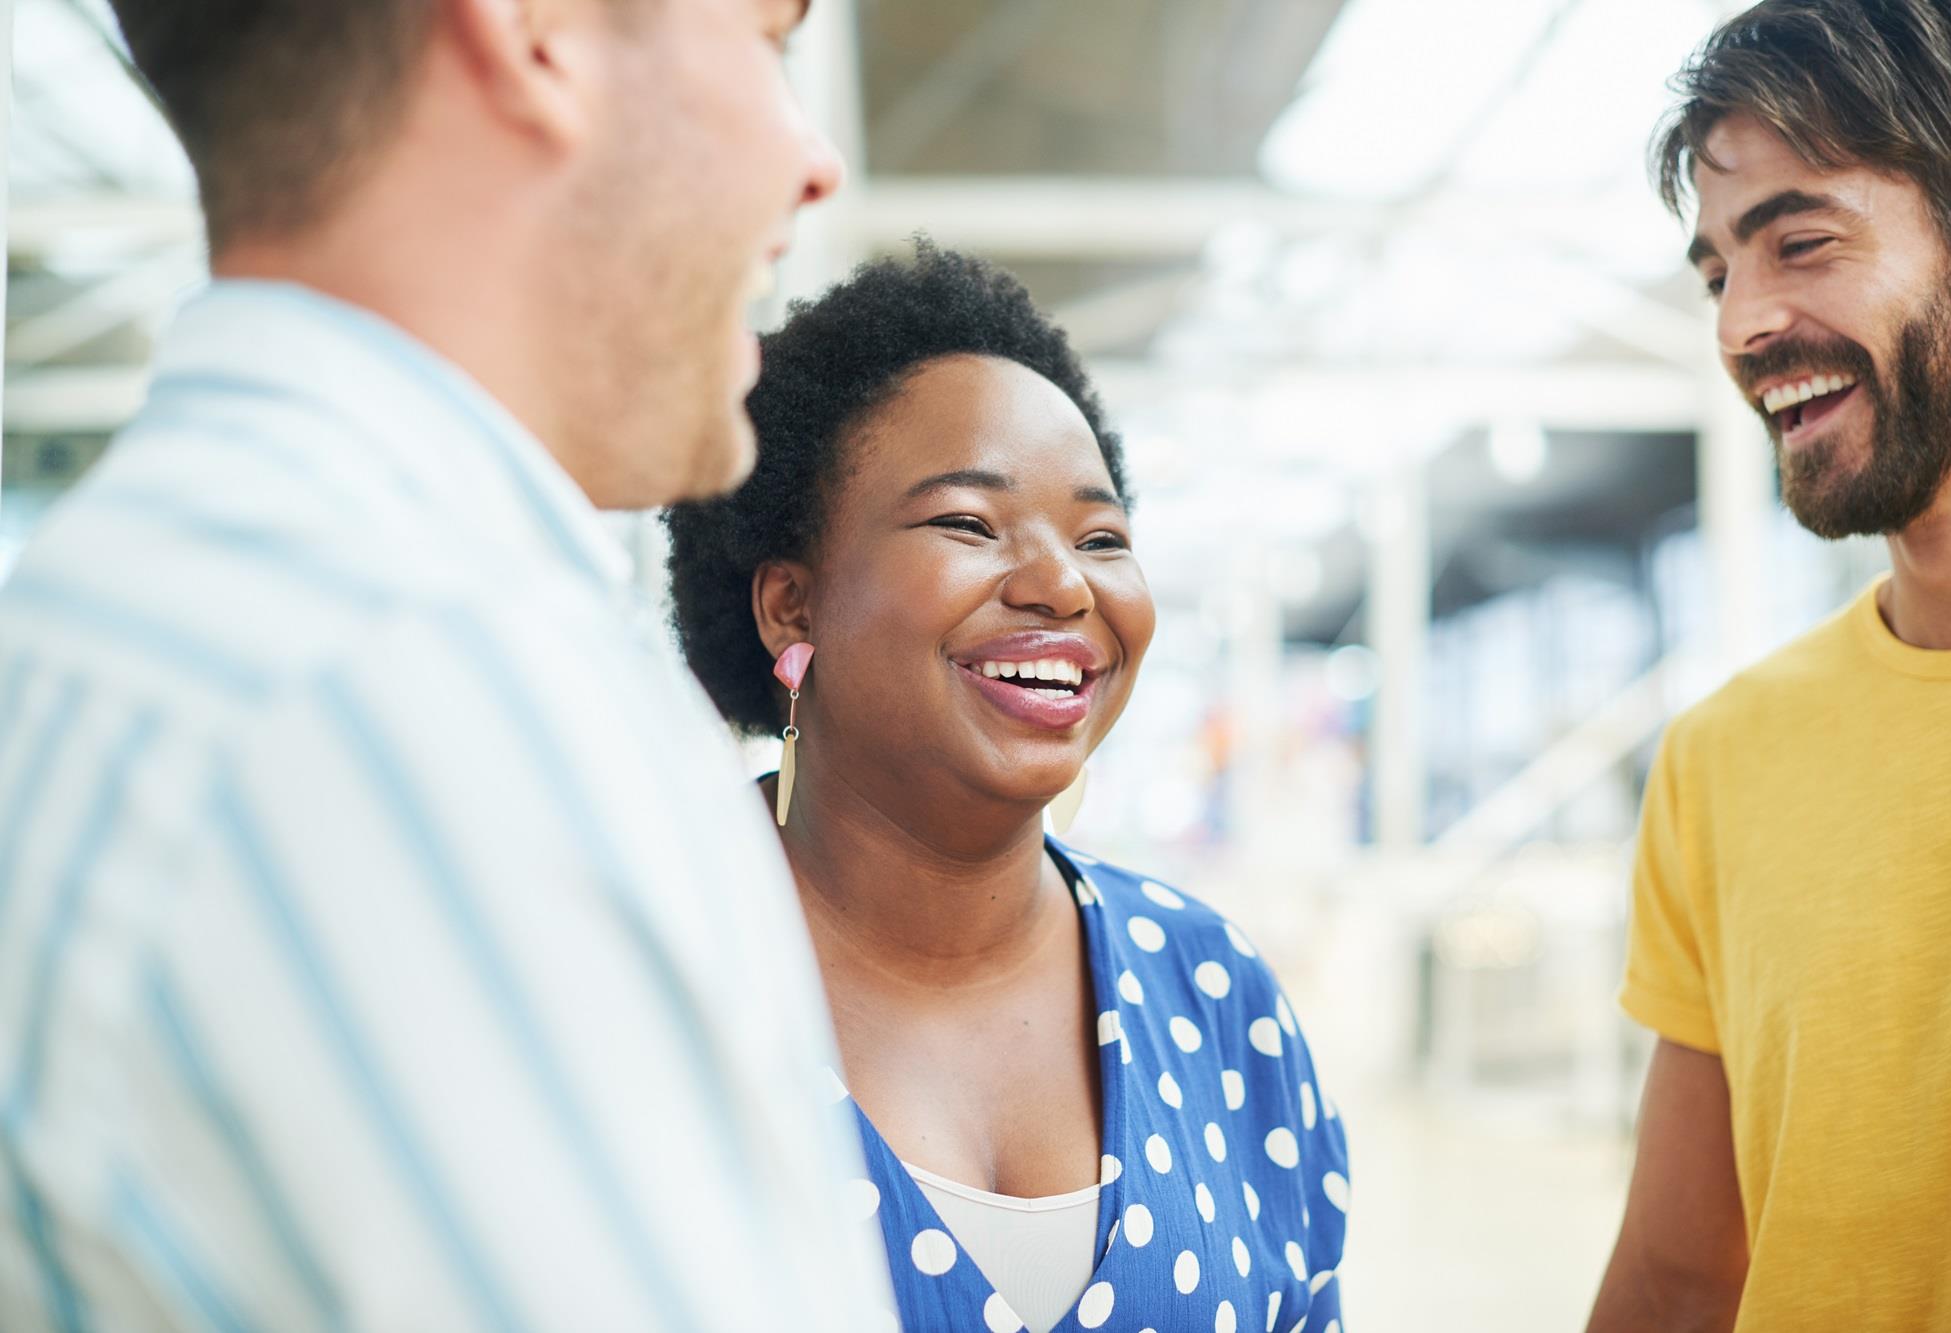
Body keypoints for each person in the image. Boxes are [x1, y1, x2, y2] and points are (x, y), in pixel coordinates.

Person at [0, 2, 895, 1329]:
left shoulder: (106, 621)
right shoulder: (415, 680)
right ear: (536, 33)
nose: (813, 160)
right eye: (764, 43)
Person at [666, 242, 1350, 1333]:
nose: (1062, 584)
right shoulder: (640, 958)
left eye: (1101, 536)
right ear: (791, 605)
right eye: (967, 524)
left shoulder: (1215, 991)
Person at [1587, 2, 1951, 1329]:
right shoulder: (1727, 757)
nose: (1743, 324)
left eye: (1801, 244)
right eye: (1717, 275)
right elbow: (1677, 1276)